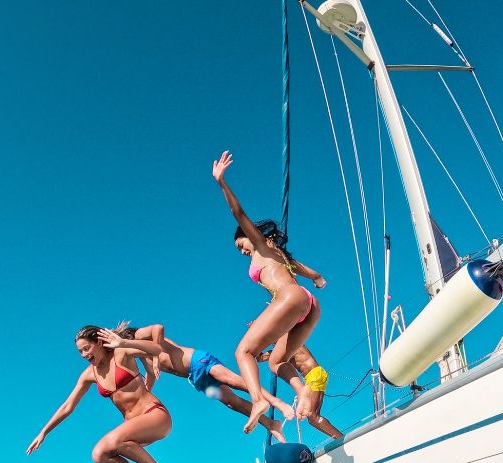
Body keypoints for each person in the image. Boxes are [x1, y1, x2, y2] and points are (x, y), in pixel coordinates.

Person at [212, 149, 325, 433]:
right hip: (308, 304)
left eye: (241, 245)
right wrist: (317, 277)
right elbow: (301, 269)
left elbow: (238, 213)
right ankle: (302, 391)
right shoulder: (279, 254)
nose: (242, 251)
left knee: (243, 352)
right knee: (276, 362)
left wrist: (221, 182)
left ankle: (258, 400)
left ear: (250, 236)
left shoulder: (261, 246)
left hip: (291, 298)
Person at [27, 326, 171, 463]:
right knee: (99, 454)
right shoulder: (90, 374)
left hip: (155, 415)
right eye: (80, 351)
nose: (84, 354)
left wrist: (124, 342)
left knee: (114, 440)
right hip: (134, 428)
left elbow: (157, 349)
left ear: (100, 343)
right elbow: (68, 406)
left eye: (87, 348)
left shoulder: (121, 353)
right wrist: (43, 433)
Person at [117, 323, 291, 442]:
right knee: (232, 402)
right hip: (195, 377)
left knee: (236, 381)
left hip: (197, 361)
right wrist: (143, 399)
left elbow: (158, 327)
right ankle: (271, 424)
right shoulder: (141, 357)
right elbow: (150, 375)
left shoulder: (139, 335)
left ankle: (277, 403)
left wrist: (155, 356)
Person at [263, 345, 345, 441]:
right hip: (314, 375)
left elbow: (264, 357)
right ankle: (340, 439)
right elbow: (261, 357)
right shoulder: (281, 346)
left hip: (314, 375)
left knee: (312, 416)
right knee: (312, 418)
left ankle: (342, 439)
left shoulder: (287, 342)